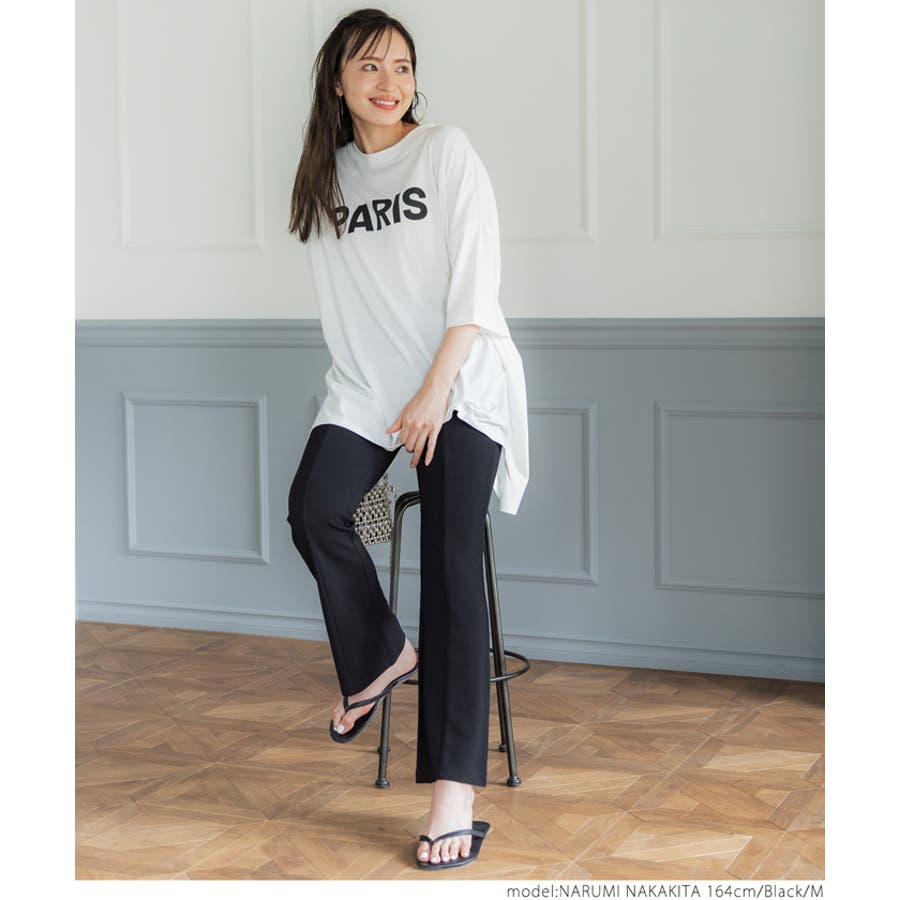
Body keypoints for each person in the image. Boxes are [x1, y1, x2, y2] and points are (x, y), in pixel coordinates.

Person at [285, 8, 529, 870]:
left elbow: (475, 283)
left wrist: (434, 391)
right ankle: (381, 655)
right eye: (369, 67)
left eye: (401, 66)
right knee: (316, 510)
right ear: (337, 81)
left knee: (449, 566)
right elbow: (352, 307)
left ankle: (453, 793)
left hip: (461, 380)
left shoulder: (445, 152)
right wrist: (377, 414)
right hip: (372, 388)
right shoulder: (326, 180)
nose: (388, 82)